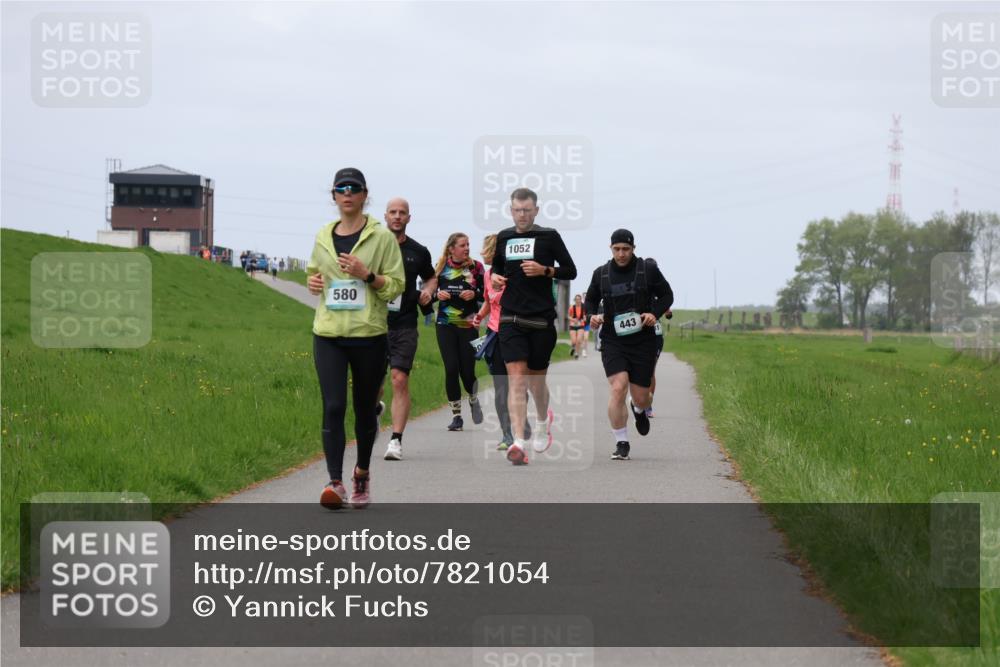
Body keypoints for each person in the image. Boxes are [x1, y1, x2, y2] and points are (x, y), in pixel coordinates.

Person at [306, 167, 404, 509]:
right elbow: (314, 273)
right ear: (334, 195)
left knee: (364, 409)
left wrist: (368, 275)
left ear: (364, 195)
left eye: (353, 188)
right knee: (333, 406)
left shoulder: (382, 238)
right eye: (341, 188)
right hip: (328, 333)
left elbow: (396, 286)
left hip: (368, 334)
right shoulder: (323, 235)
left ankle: (361, 473)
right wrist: (313, 283)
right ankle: (334, 482)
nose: (347, 193)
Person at [491, 188, 577, 465]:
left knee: (535, 383)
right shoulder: (504, 237)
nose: (522, 215)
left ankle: (542, 422)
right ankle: (518, 441)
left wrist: (545, 271)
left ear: (536, 211)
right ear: (511, 210)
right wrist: (495, 279)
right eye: (517, 210)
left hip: (540, 320)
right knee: (516, 379)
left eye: (527, 210)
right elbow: (496, 269)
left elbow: (571, 270)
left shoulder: (549, 237)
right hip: (510, 318)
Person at [585, 229, 673, 462]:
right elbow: (590, 300)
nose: (621, 254)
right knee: (618, 387)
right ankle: (621, 442)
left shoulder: (647, 270)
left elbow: (667, 295)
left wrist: (654, 313)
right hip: (613, 340)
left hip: (643, 341)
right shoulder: (601, 273)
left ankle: (639, 408)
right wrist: (592, 316)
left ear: (633, 248)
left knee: (642, 397)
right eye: (617, 249)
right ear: (610, 248)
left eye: (626, 249)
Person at [378, 197, 437, 461]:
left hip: (405, 324)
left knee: (399, 379)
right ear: (385, 216)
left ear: (409, 218)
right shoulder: (374, 247)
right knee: (374, 385)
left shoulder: (418, 251)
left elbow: (431, 277)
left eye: (402, 212)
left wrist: (428, 291)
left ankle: (395, 440)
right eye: (393, 212)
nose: (397, 216)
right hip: (374, 324)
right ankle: (375, 409)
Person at [472, 234, 530, 451]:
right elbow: (488, 301)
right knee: (500, 386)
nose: (481, 253)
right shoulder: (488, 275)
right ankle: (507, 434)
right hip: (494, 333)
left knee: (518, 385)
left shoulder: (513, 274)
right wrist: (479, 315)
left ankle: (521, 419)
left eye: (485, 249)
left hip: (515, 332)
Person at [433, 233, 485, 431]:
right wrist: (437, 294)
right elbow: (429, 294)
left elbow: (487, 294)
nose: (467, 248)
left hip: (468, 326)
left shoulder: (476, 267)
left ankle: (473, 399)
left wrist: (474, 294)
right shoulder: (440, 267)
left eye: (468, 245)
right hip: (445, 324)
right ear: (451, 248)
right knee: (451, 368)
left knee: (468, 372)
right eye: (463, 245)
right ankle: (456, 417)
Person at [567, 294, 586, 359]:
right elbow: (568, 316)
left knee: (579, 340)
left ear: (581, 300)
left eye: (579, 299)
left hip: (581, 325)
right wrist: (573, 319)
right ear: (575, 300)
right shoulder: (572, 307)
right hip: (573, 325)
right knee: (574, 341)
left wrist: (583, 319)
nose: (578, 300)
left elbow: (585, 316)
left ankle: (576, 353)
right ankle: (573, 347)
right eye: (576, 299)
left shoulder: (583, 307)